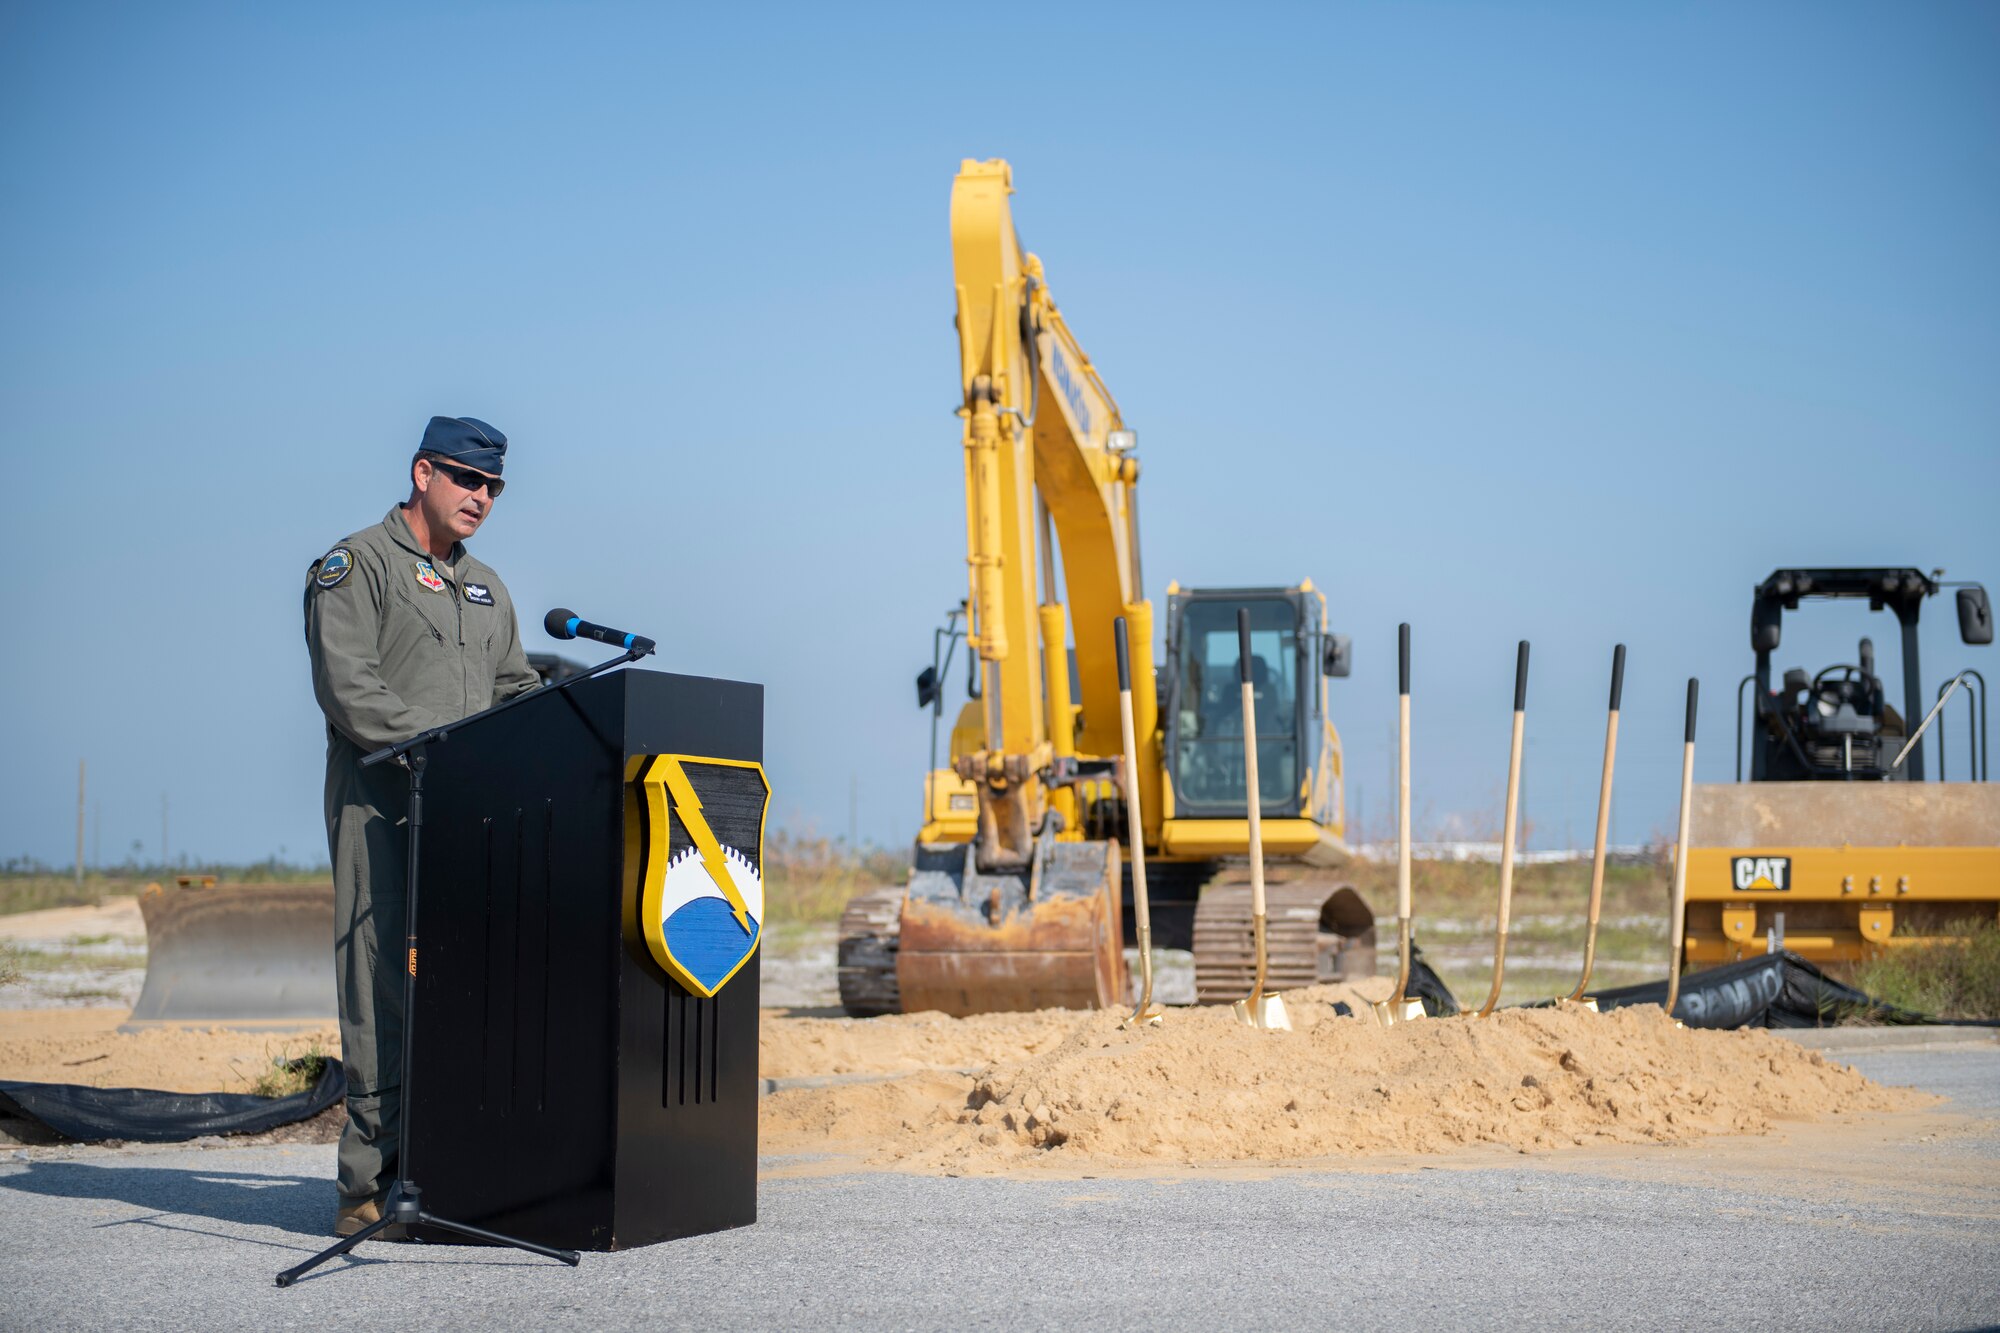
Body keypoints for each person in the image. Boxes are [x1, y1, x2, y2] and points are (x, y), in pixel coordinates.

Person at [303, 416, 539, 1236]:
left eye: (493, 487)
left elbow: (512, 688)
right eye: (467, 479)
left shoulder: (488, 588)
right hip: (383, 805)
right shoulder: (357, 565)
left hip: (467, 817)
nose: (481, 497)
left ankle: (447, 1168)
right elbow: (349, 685)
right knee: (382, 988)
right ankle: (368, 1182)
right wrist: (430, 750)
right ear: (422, 473)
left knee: (462, 988)